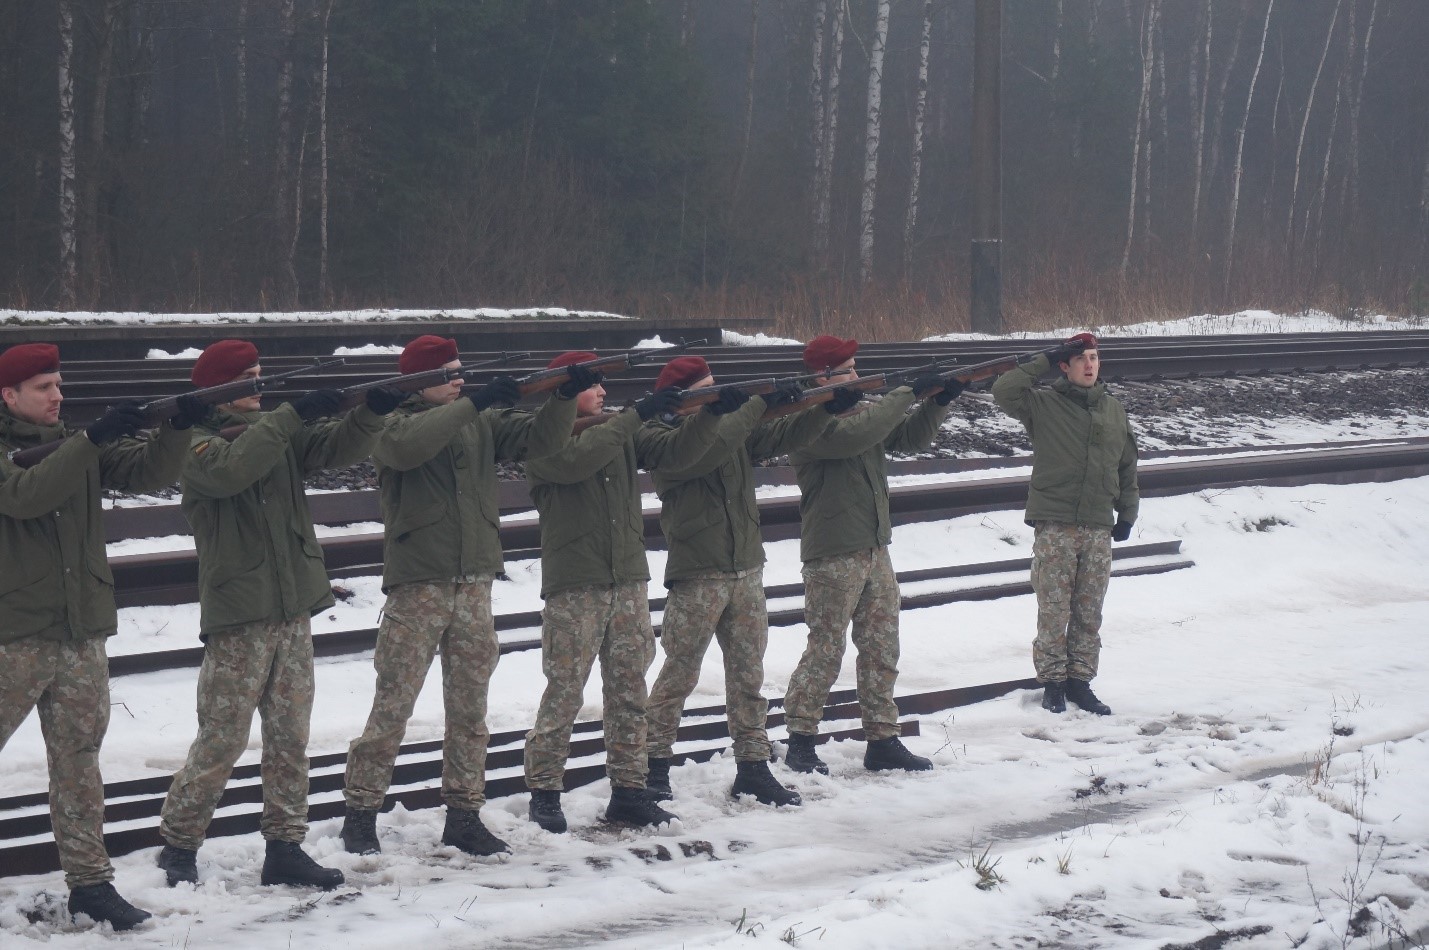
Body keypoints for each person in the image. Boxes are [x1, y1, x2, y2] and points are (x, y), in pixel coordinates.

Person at [157, 338, 399, 890]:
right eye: (249, 378)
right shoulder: (196, 444)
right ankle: (179, 840)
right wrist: (290, 415)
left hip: (291, 606)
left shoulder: (273, 431)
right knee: (223, 737)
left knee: (290, 736)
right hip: (241, 610)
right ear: (220, 389)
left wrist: (370, 414)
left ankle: (285, 843)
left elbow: (336, 447)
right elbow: (232, 471)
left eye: (261, 376)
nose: (261, 386)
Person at [339, 335, 589, 858]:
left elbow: (539, 440)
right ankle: (360, 814)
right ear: (419, 380)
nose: (460, 378)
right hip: (419, 583)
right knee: (393, 707)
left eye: (460, 371)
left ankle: (465, 811)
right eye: (448, 372)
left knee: (471, 709)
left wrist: (564, 398)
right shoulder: (389, 421)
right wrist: (473, 402)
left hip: (473, 581)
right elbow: (409, 447)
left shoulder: (473, 419)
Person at [0, 343, 200, 931]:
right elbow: (26, 496)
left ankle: (90, 884)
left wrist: (176, 429)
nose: (58, 396)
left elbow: (150, 472)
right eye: (43, 387)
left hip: (81, 631)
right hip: (15, 634)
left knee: (79, 765)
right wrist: (90, 441)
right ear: (8, 395)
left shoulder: (75, 447)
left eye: (59, 384)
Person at [522, 352, 723, 834]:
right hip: (577, 581)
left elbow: (677, 454)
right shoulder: (543, 438)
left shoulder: (621, 428)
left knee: (630, 689)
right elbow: (577, 462)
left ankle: (629, 790)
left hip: (628, 578)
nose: (604, 392)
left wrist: (710, 412)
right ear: (564, 391)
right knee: (565, 692)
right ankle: (545, 791)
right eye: (592, 385)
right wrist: (637, 416)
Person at [642, 355, 828, 807]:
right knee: (678, 674)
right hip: (699, 570)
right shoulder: (662, 439)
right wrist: (746, 405)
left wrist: (822, 407)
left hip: (745, 566)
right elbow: (712, 445)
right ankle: (651, 765)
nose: (717, 393)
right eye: (707, 388)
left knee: (748, 674)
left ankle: (753, 765)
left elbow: (778, 435)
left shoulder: (727, 424)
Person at [782, 335, 959, 775]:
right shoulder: (806, 422)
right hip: (834, 550)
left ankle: (882, 737)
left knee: (881, 647)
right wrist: (907, 393)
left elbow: (909, 439)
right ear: (823, 377)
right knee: (825, 647)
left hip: (875, 546)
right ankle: (800, 739)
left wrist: (936, 403)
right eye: (849, 369)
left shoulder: (865, 413)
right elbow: (854, 437)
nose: (858, 377)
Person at [991, 332, 1139, 716]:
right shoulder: (1043, 405)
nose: (1090, 365)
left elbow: (1126, 465)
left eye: (1094, 357)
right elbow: (1004, 390)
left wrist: (1126, 514)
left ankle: (1081, 681)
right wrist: (1044, 357)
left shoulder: (1113, 410)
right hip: (1056, 524)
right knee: (1054, 608)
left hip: (1097, 524)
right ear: (1065, 366)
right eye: (1081, 359)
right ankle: (1053, 683)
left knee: (1089, 611)